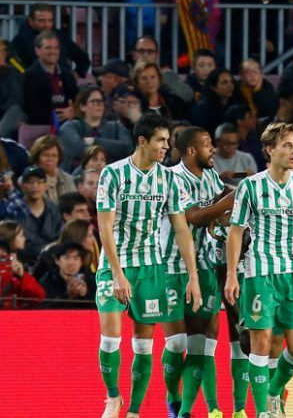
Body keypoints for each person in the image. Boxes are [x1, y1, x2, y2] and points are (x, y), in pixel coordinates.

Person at [95, 113, 202, 418]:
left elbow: (181, 229)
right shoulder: (113, 175)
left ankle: (135, 411)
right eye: (161, 140)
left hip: (150, 268)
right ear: (142, 141)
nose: (167, 146)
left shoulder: (168, 179)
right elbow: (105, 227)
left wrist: (192, 276)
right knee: (111, 336)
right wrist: (117, 274)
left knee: (143, 345)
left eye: (168, 141)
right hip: (115, 266)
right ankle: (113, 398)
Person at [224, 123, 293, 418]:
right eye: (286, 146)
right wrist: (232, 274)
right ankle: (262, 412)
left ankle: (272, 393)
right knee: (260, 343)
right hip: (261, 274)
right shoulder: (250, 186)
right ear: (270, 151)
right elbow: (236, 232)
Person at [159, 126, 236, 418]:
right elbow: (194, 217)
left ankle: (193, 411)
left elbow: (219, 211)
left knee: (200, 341)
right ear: (191, 151)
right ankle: (172, 394)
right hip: (170, 267)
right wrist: (231, 199)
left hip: (204, 268)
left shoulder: (211, 177)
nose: (213, 149)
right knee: (177, 343)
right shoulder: (172, 178)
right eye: (207, 145)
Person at [58, 86, 133, 172]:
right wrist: (113, 148)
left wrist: (94, 141)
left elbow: (128, 149)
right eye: (94, 102)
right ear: (82, 106)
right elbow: (78, 149)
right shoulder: (70, 127)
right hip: (76, 178)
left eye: (101, 102)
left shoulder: (116, 127)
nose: (99, 105)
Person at [11, 3, 90, 77]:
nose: (47, 25)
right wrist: (27, 77)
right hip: (35, 86)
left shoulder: (60, 36)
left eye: (50, 20)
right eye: (41, 20)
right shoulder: (20, 40)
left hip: (63, 87)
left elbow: (83, 58)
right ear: (31, 21)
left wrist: (74, 75)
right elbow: (14, 63)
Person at [22, 31, 78, 127]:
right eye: (48, 48)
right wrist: (57, 117)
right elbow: (32, 110)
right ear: (37, 51)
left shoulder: (67, 75)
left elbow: (76, 100)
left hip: (68, 126)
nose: (53, 52)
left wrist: (73, 112)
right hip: (41, 128)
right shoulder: (29, 76)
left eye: (56, 48)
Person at [16, 165, 62, 263]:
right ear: (22, 186)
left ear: (45, 185)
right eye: (30, 182)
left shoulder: (54, 210)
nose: (35, 186)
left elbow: (59, 238)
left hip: (51, 262)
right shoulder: (15, 210)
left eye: (39, 182)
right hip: (23, 263)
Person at [131, 35, 194, 104]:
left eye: (150, 51)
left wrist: (165, 79)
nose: (145, 55)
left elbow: (188, 96)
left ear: (157, 55)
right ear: (134, 55)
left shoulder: (166, 75)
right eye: (141, 51)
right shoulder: (126, 76)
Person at [38, 241, 95, 309]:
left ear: (81, 262)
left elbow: (100, 309)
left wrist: (85, 295)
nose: (71, 263)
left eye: (76, 258)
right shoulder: (47, 281)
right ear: (57, 260)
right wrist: (67, 296)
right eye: (66, 258)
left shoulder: (90, 280)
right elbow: (43, 309)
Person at [191, 68, 240, 135]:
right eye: (224, 82)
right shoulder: (202, 109)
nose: (230, 86)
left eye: (231, 82)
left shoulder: (236, 105)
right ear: (213, 87)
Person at [29, 135, 76, 204]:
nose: (50, 159)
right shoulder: (27, 179)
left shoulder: (68, 179)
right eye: (45, 155)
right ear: (37, 157)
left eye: (54, 156)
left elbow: (75, 204)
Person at [0, 238, 45, 309]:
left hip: (9, 318)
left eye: (3, 258)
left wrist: (23, 276)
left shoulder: (15, 279)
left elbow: (39, 297)